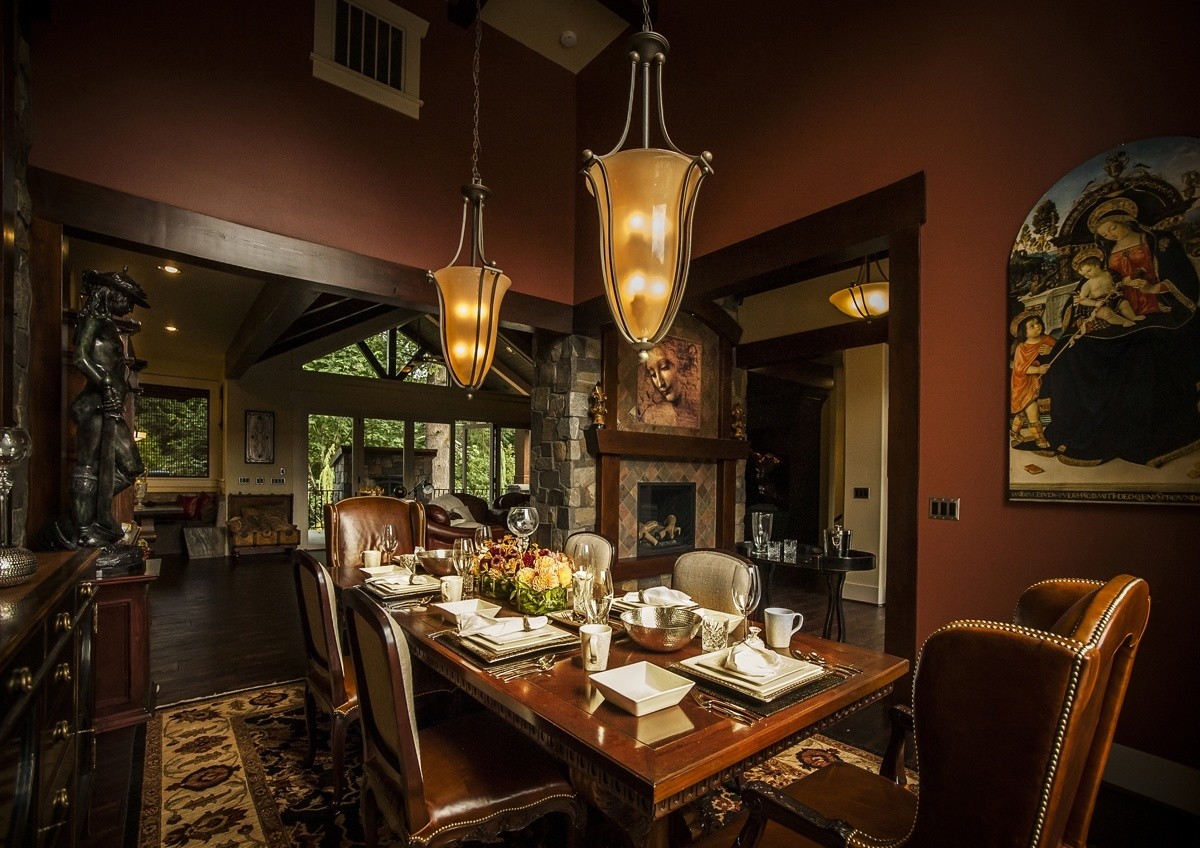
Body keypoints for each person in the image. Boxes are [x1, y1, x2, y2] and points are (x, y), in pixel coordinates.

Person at [69, 268, 149, 546]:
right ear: (109, 294)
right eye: (127, 299)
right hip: (96, 405)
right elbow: (80, 357)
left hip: (111, 407)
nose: (129, 307)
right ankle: (82, 528)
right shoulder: (92, 319)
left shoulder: (108, 325)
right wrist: (104, 383)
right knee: (87, 466)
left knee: (131, 467)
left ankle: (86, 515)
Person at [1009, 311, 1055, 449]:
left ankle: (1014, 432)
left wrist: (1051, 350)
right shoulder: (1021, 348)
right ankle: (1040, 440)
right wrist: (1038, 369)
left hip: (1042, 383)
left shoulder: (1047, 340)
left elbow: (1058, 351)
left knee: (1022, 413)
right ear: (1024, 333)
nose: (1037, 326)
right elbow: (1020, 368)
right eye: (1032, 326)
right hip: (1024, 385)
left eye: (1037, 322)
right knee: (1031, 411)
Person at [637, 337, 699, 428]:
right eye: (653, 374)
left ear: (680, 365)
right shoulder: (652, 416)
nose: (660, 383)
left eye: (664, 367)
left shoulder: (695, 412)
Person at [1070, 250, 1140, 330]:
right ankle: (1124, 322)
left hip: (1112, 298)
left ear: (1097, 264)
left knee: (1124, 304)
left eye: (1089, 270)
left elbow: (1120, 282)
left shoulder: (1109, 273)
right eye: (1084, 275)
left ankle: (1133, 317)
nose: (1087, 275)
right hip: (1098, 304)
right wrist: (1095, 303)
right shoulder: (1087, 285)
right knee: (1106, 313)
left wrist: (1129, 279)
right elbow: (1081, 300)